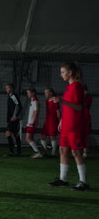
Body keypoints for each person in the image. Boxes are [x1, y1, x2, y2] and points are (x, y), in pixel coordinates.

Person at [48, 62, 89, 190]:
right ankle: (63, 179)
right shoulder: (69, 88)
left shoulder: (77, 87)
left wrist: (62, 101)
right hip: (66, 125)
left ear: (70, 73)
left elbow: (79, 107)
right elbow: (67, 108)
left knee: (76, 152)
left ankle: (83, 182)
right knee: (63, 150)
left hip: (74, 126)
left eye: (63, 72)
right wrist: (61, 121)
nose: (61, 75)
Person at [40, 88, 60, 156]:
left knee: (52, 136)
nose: (45, 94)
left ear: (51, 93)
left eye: (46, 92)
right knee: (42, 136)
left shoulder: (55, 100)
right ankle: (45, 151)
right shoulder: (47, 101)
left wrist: (60, 121)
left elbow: (58, 111)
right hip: (47, 120)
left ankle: (53, 153)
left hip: (53, 120)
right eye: (45, 93)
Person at [4, 83, 23, 157]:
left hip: (13, 119)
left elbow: (19, 105)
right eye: (6, 88)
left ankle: (11, 152)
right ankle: (18, 152)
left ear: (12, 88)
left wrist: (15, 116)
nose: (6, 89)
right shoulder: (10, 97)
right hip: (11, 119)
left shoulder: (14, 96)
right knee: (16, 134)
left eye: (8, 88)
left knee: (8, 133)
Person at [25, 88, 42, 159]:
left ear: (33, 93)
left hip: (31, 123)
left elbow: (36, 112)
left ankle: (38, 152)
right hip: (30, 123)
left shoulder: (35, 102)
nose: (27, 94)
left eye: (29, 93)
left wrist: (32, 122)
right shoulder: (32, 101)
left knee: (28, 138)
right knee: (30, 138)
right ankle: (37, 152)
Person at [83, 85, 92, 158]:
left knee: (85, 135)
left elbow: (86, 105)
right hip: (78, 118)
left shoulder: (88, 98)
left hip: (86, 118)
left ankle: (85, 152)